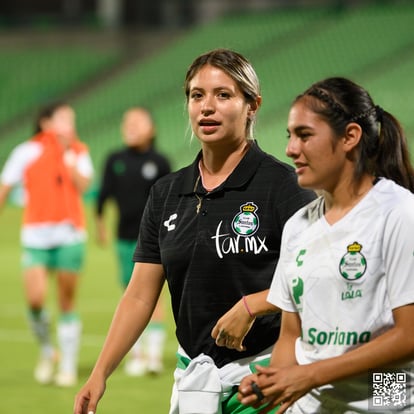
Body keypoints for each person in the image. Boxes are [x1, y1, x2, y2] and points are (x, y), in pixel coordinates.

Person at [74, 48, 315, 414]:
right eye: (196, 95)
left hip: (265, 377)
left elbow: (315, 278)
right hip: (192, 377)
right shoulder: (166, 193)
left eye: (223, 95)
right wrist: (100, 373)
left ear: (252, 105)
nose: (207, 106)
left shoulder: (284, 186)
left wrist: (253, 306)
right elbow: (140, 295)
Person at [238, 77, 414, 413]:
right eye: (289, 136)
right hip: (310, 405)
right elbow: (291, 334)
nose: (291, 149)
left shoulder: (399, 213)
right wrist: (272, 382)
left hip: (385, 397)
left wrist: (311, 375)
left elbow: (409, 337)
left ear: (349, 137)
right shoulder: (298, 226)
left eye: (304, 135)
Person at [0, 101, 94, 387]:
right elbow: (4, 187)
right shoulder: (26, 151)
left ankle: (67, 365)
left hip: (69, 236)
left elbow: (84, 187)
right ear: (46, 123)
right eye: (64, 119)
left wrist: (67, 157)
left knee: (66, 302)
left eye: (72, 119)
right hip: (35, 237)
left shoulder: (79, 151)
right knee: (36, 299)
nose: (70, 124)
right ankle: (46, 351)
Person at [95, 106, 171, 376]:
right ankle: (136, 354)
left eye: (137, 122)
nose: (131, 127)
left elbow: (170, 201)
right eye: (127, 122)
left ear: (151, 129)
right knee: (130, 293)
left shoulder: (160, 162)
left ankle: (153, 355)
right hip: (124, 238)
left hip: (154, 239)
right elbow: (102, 195)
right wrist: (99, 223)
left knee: (153, 295)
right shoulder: (114, 159)